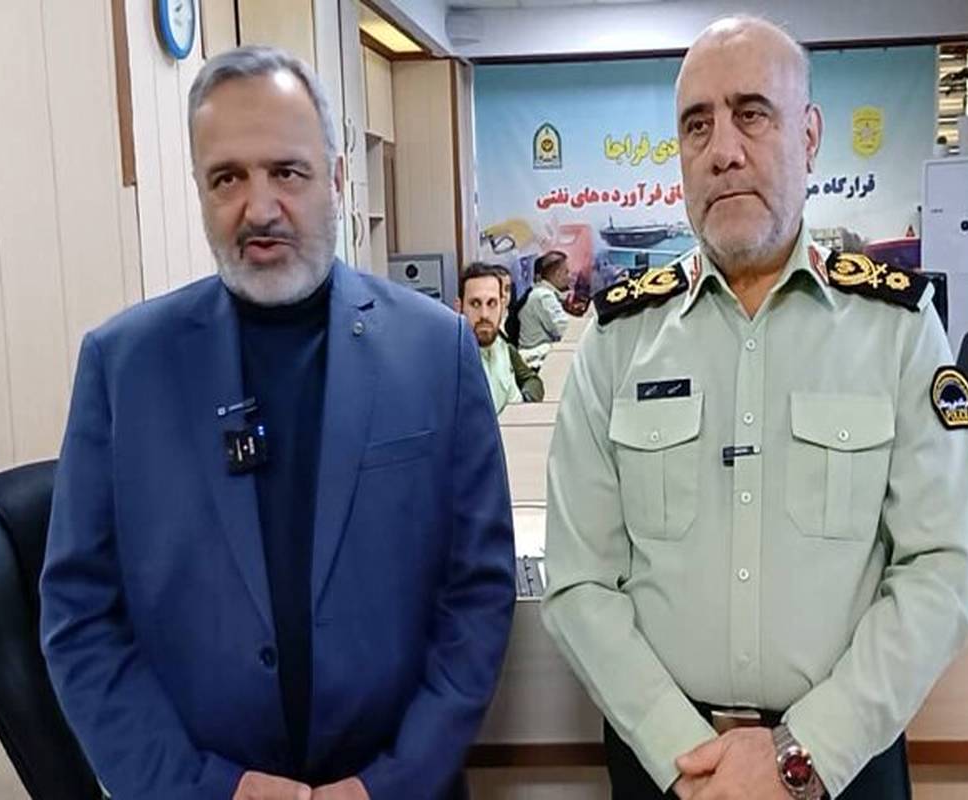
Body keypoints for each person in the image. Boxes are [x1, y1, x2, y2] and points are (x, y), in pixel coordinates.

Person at [39, 46, 515, 800]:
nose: (258, 208)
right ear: (200, 189)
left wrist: (392, 782)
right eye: (227, 178)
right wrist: (203, 789)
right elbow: (80, 620)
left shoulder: (436, 351)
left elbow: (478, 593)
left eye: (287, 172)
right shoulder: (123, 368)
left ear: (336, 178)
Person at [541, 17, 968, 800]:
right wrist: (686, 756)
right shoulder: (617, 340)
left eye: (752, 114)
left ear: (808, 137)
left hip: (843, 767)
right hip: (667, 771)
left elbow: (940, 571)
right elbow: (578, 583)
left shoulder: (897, 330)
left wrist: (800, 756)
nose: (723, 150)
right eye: (696, 125)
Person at [456, 262, 545, 413]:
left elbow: (532, 380)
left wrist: (523, 403)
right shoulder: (449, 361)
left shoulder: (503, 346)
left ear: (502, 307)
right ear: (459, 307)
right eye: (475, 304)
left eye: (492, 303)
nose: (484, 314)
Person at [516, 250, 571, 368]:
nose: (569, 277)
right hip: (536, 362)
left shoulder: (537, 292)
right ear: (558, 274)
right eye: (566, 272)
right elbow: (565, 331)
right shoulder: (544, 296)